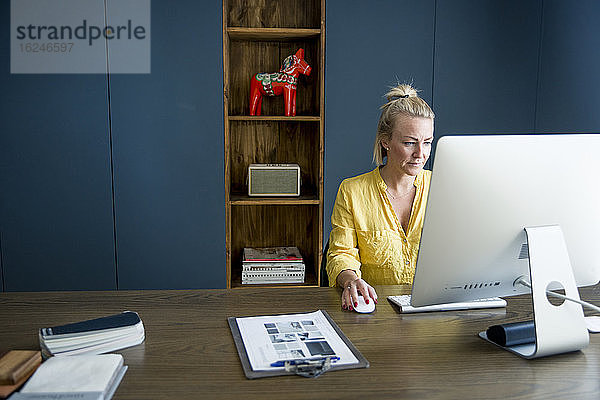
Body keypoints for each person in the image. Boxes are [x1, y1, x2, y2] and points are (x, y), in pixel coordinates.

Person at [326, 83, 435, 310]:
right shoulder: (352, 191)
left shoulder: (443, 186)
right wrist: (350, 280)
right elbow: (341, 254)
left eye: (427, 143)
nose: (420, 154)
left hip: (433, 308)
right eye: (409, 143)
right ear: (386, 141)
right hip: (377, 310)